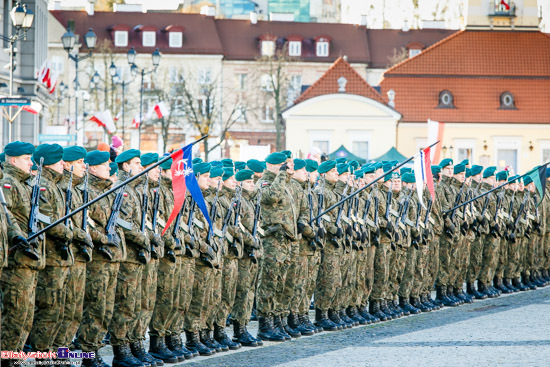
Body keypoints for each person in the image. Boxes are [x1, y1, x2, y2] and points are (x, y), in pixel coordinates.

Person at [77, 150, 125, 367]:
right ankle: (87, 354)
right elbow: (85, 223)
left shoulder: (108, 191)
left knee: (106, 308)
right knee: (94, 308)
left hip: (111, 259)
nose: (109, 167)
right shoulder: (86, 190)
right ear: (93, 168)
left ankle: (95, 350)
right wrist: (103, 239)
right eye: (105, 165)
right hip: (97, 259)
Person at [29, 144, 75, 353]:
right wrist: (69, 233)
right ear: (47, 163)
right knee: (48, 310)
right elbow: (46, 220)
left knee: (60, 310)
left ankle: (55, 353)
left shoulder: (55, 184)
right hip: (50, 258)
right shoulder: (42, 185)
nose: (63, 165)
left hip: (61, 259)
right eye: (58, 161)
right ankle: (43, 354)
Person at [1, 142, 43, 358]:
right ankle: (8, 359)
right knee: (14, 317)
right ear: (14, 160)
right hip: (16, 261)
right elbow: (5, 216)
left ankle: (15, 357)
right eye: (27, 159)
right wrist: (17, 236)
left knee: (25, 317)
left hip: (28, 260)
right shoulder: (9, 182)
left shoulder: (22, 183)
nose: (31, 163)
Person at [110, 149, 151, 367]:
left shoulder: (133, 188)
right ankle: (121, 351)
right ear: (125, 167)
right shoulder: (123, 188)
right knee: (125, 305)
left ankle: (134, 345)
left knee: (136, 305)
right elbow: (124, 224)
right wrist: (143, 238)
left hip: (136, 257)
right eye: (137, 163)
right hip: (127, 257)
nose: (141, 167)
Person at [53, 146, 94, 351]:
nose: (84, 167)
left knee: (73, 311)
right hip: (60, 257)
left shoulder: (77, 189)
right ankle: (56, 355)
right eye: (79, 162)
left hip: (76, 257)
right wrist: (78, 234)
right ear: (67, 165)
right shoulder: (59, 188)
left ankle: (64, 351)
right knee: (59, 310)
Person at [256, 152, 298, 342]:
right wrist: (281, 175)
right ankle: (265, 325)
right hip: (272, 241)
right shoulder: (265, 183)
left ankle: (277, 320)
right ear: (270, 165)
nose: (286, 169)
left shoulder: (286, 184)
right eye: (282, 165)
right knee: (269, 283)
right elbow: (272, 197)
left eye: (286, 166)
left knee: (282, 284)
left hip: (285, 240)